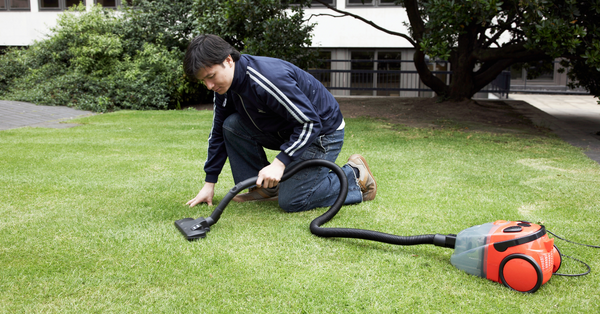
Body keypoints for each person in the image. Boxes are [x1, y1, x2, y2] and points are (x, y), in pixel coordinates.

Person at [183, 34, 376, 212]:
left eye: (211, 76)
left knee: (292, 201)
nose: (209, 86)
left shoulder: (266, 78)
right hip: (287, 129)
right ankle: (266, 188)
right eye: (203, 81)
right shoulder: (224, 89)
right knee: (231, 125)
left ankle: (355, 176)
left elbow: (310, 123)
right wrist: (210, 183)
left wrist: (280, 162)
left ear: (228, 60)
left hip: (322, 133)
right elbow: (217, 132)